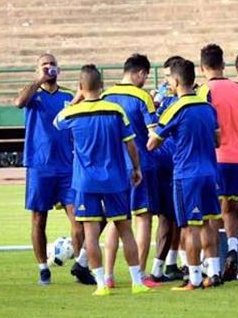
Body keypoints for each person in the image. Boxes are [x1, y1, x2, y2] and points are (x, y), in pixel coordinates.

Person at [53, 65, 150, 296]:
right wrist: (136, 168)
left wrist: (76, 98)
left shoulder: (72, 113)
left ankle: (101, 285)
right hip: (115, 179)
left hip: (86, 182)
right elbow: (130, 144)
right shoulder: (115, 111)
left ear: (80, 86)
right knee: (125, 230)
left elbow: (56, 122)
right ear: (102, 85)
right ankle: (137, 282)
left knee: (91, 233)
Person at [14, 53, 92, 286]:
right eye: (44, 64)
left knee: (78, 218)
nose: (49, 67)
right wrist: (38, 80)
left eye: (52, 64)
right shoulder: (32, 94)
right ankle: (43, 268)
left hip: (67, 166)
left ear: (59, 69)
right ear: (37, 69)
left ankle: (81, 267)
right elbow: (18, 102)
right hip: (40, 165)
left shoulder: (68, 96)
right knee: (39, 218)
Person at [147, 58, 222, 290]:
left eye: (169, 79)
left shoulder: (175, 109)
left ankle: (194, 278)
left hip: (187, 175)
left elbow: (152, 144)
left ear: (177, 81)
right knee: (208, 222)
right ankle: (214, 272)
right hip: (210, 172)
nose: (168, 83)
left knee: (190, 227)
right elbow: (218, 140)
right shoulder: (208, 107)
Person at [101, 54, 161, 289]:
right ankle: (141, 273)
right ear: (141, 73)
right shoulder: (142, 97)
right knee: (142, 219)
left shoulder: (106, 96)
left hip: (113, 167)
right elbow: (153, 134)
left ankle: (108, 276)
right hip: (140, 165)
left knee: (116, 220)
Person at [196, 44, 238, 283]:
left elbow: (202, 124)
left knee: (211, 212)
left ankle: (211, 264)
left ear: (202, 67)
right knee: (230, 209)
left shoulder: (204, 91)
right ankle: (233, 250)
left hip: (215, 157)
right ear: (223, 64)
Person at [149, 55, 185, 282]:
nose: (165, 82)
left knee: (176, 217)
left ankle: (170, 264)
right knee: (167, 217)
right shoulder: (164, 100)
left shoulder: (182, 100)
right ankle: (157, 268)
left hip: (175, 162)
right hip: (166, 163)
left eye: (168, 77)